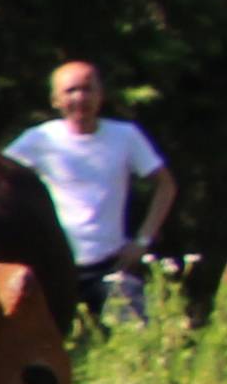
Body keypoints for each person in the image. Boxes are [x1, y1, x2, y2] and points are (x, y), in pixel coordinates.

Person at [9, 61, 177, 316]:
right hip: (56, 267)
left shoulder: (125, 136)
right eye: (71, 91)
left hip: (112, 265)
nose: (80, 98)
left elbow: (165, 185)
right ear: (56, 100)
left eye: (88, 89)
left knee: (135, 341)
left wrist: (142, 240)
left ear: (101, 94)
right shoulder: (40, 140)